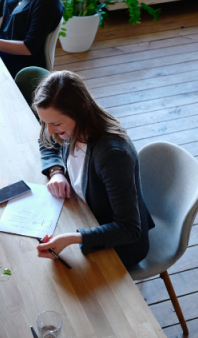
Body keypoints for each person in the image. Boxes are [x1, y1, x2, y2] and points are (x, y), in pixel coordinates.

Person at [33, 71, 154, 270]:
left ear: (81, 109)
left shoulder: (112, 155)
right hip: (84, 214)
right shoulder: (69, 124)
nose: (50, 130)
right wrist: (56, 171)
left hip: (118, 244)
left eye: (56, 123)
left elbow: (129, 229)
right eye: (45, 122)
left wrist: (74, 238)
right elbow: (47, 141)